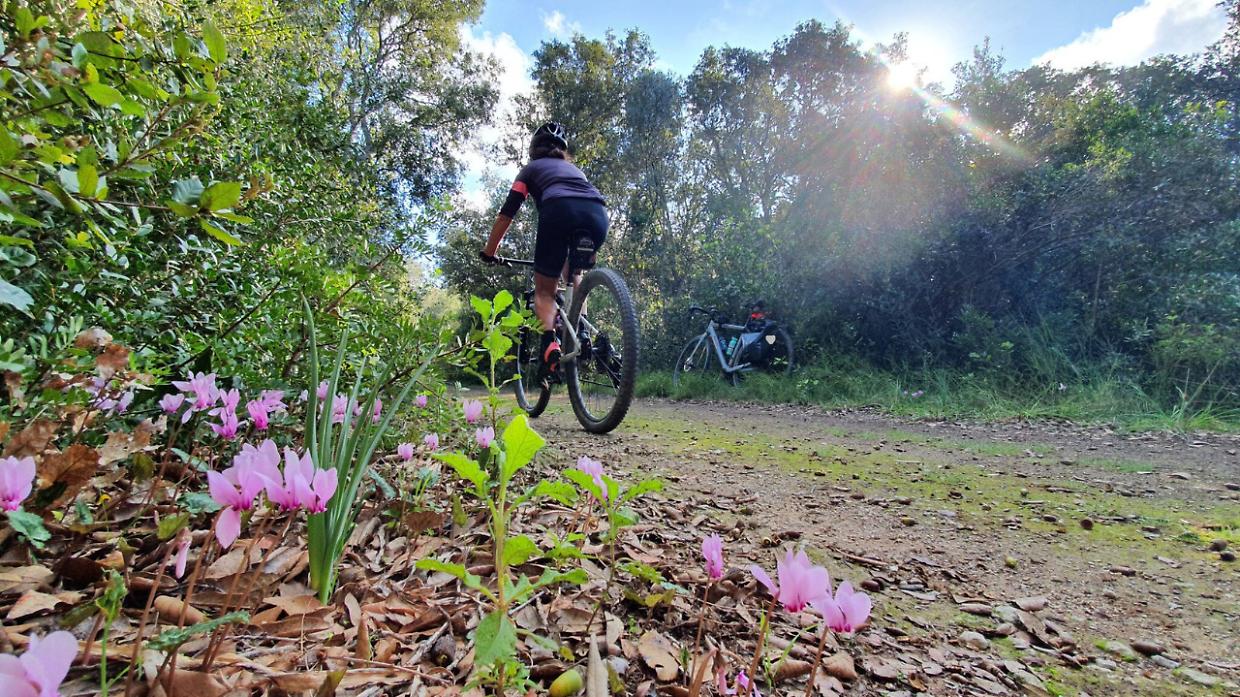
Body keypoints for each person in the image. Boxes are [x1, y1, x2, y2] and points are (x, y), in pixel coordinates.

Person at [479, 122, 608, 384]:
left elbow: (507, 213)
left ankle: (550, 345)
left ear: (534, 150)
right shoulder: (576, 171)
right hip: (598, 215)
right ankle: (581, 331)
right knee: (574, 273)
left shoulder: (529, 170)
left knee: (545, 291)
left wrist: (490, 252)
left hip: (559, 211)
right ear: (563, 151)